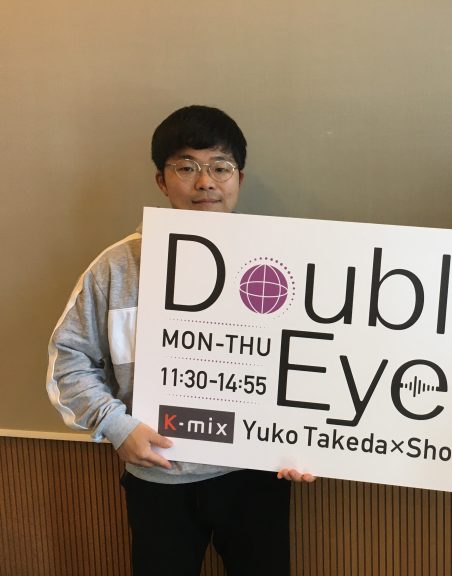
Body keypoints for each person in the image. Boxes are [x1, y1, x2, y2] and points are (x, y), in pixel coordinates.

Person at [46, 105, 314, 576]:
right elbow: (68, 361)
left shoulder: (279, 267)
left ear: (239, 178)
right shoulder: (117, 268)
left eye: (220, 167)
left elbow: (309, 361)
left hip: (254, 475)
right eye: (186, 167)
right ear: (161, 180)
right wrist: (116, 426)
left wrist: (304, 442)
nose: (205, 182)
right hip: (159, 477)